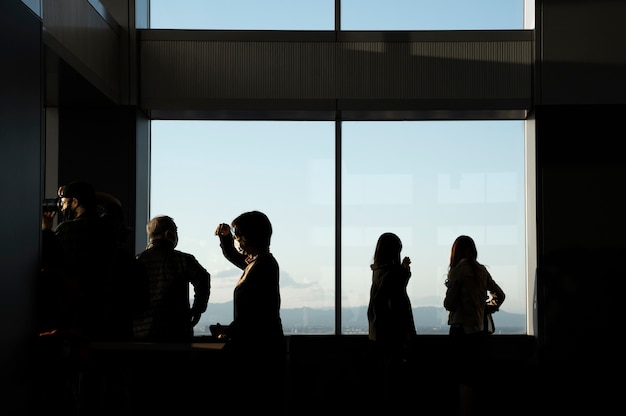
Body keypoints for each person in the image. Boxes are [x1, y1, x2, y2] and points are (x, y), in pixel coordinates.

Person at [39, 181, 146, 416]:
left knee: (83, 381)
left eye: (64, 202)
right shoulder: (109, 227)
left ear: (75, 203)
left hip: (80, 315)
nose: (60, 206)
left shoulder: (67, 231)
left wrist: (46, 229)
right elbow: (114, 204)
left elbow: (56, 263)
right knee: (114, 382)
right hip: (113, 316)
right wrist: (85, 194)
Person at [213, 210, 285, 412]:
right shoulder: (259, 263)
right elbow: (236, 257)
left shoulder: (263, 265)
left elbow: (254, 314)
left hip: (260, 350)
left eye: (238, 236)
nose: (237, 241)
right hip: (261, 346)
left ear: (249, 237)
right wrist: (225, 239)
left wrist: (229, 331)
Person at [443, 235, 506, 416]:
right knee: (473, 377)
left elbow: (450, 304)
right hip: (478, 332)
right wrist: (486, 308)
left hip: (459, 331)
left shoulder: (457, 271)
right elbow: (500, 296)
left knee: (460, 377)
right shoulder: (481, 271)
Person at [133, 215, 211, 342]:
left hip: (141, 332)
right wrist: (197, 309)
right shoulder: (183, 259)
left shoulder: (137, 260)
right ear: (169, 234)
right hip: (177, 331)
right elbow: (203, 278)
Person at [367, 232, 416, 411]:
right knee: (395, 383)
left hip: (377, 334)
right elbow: (398, 301)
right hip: (393, 335)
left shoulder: (377, 272)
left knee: (382, 381)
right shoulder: (394, 274)